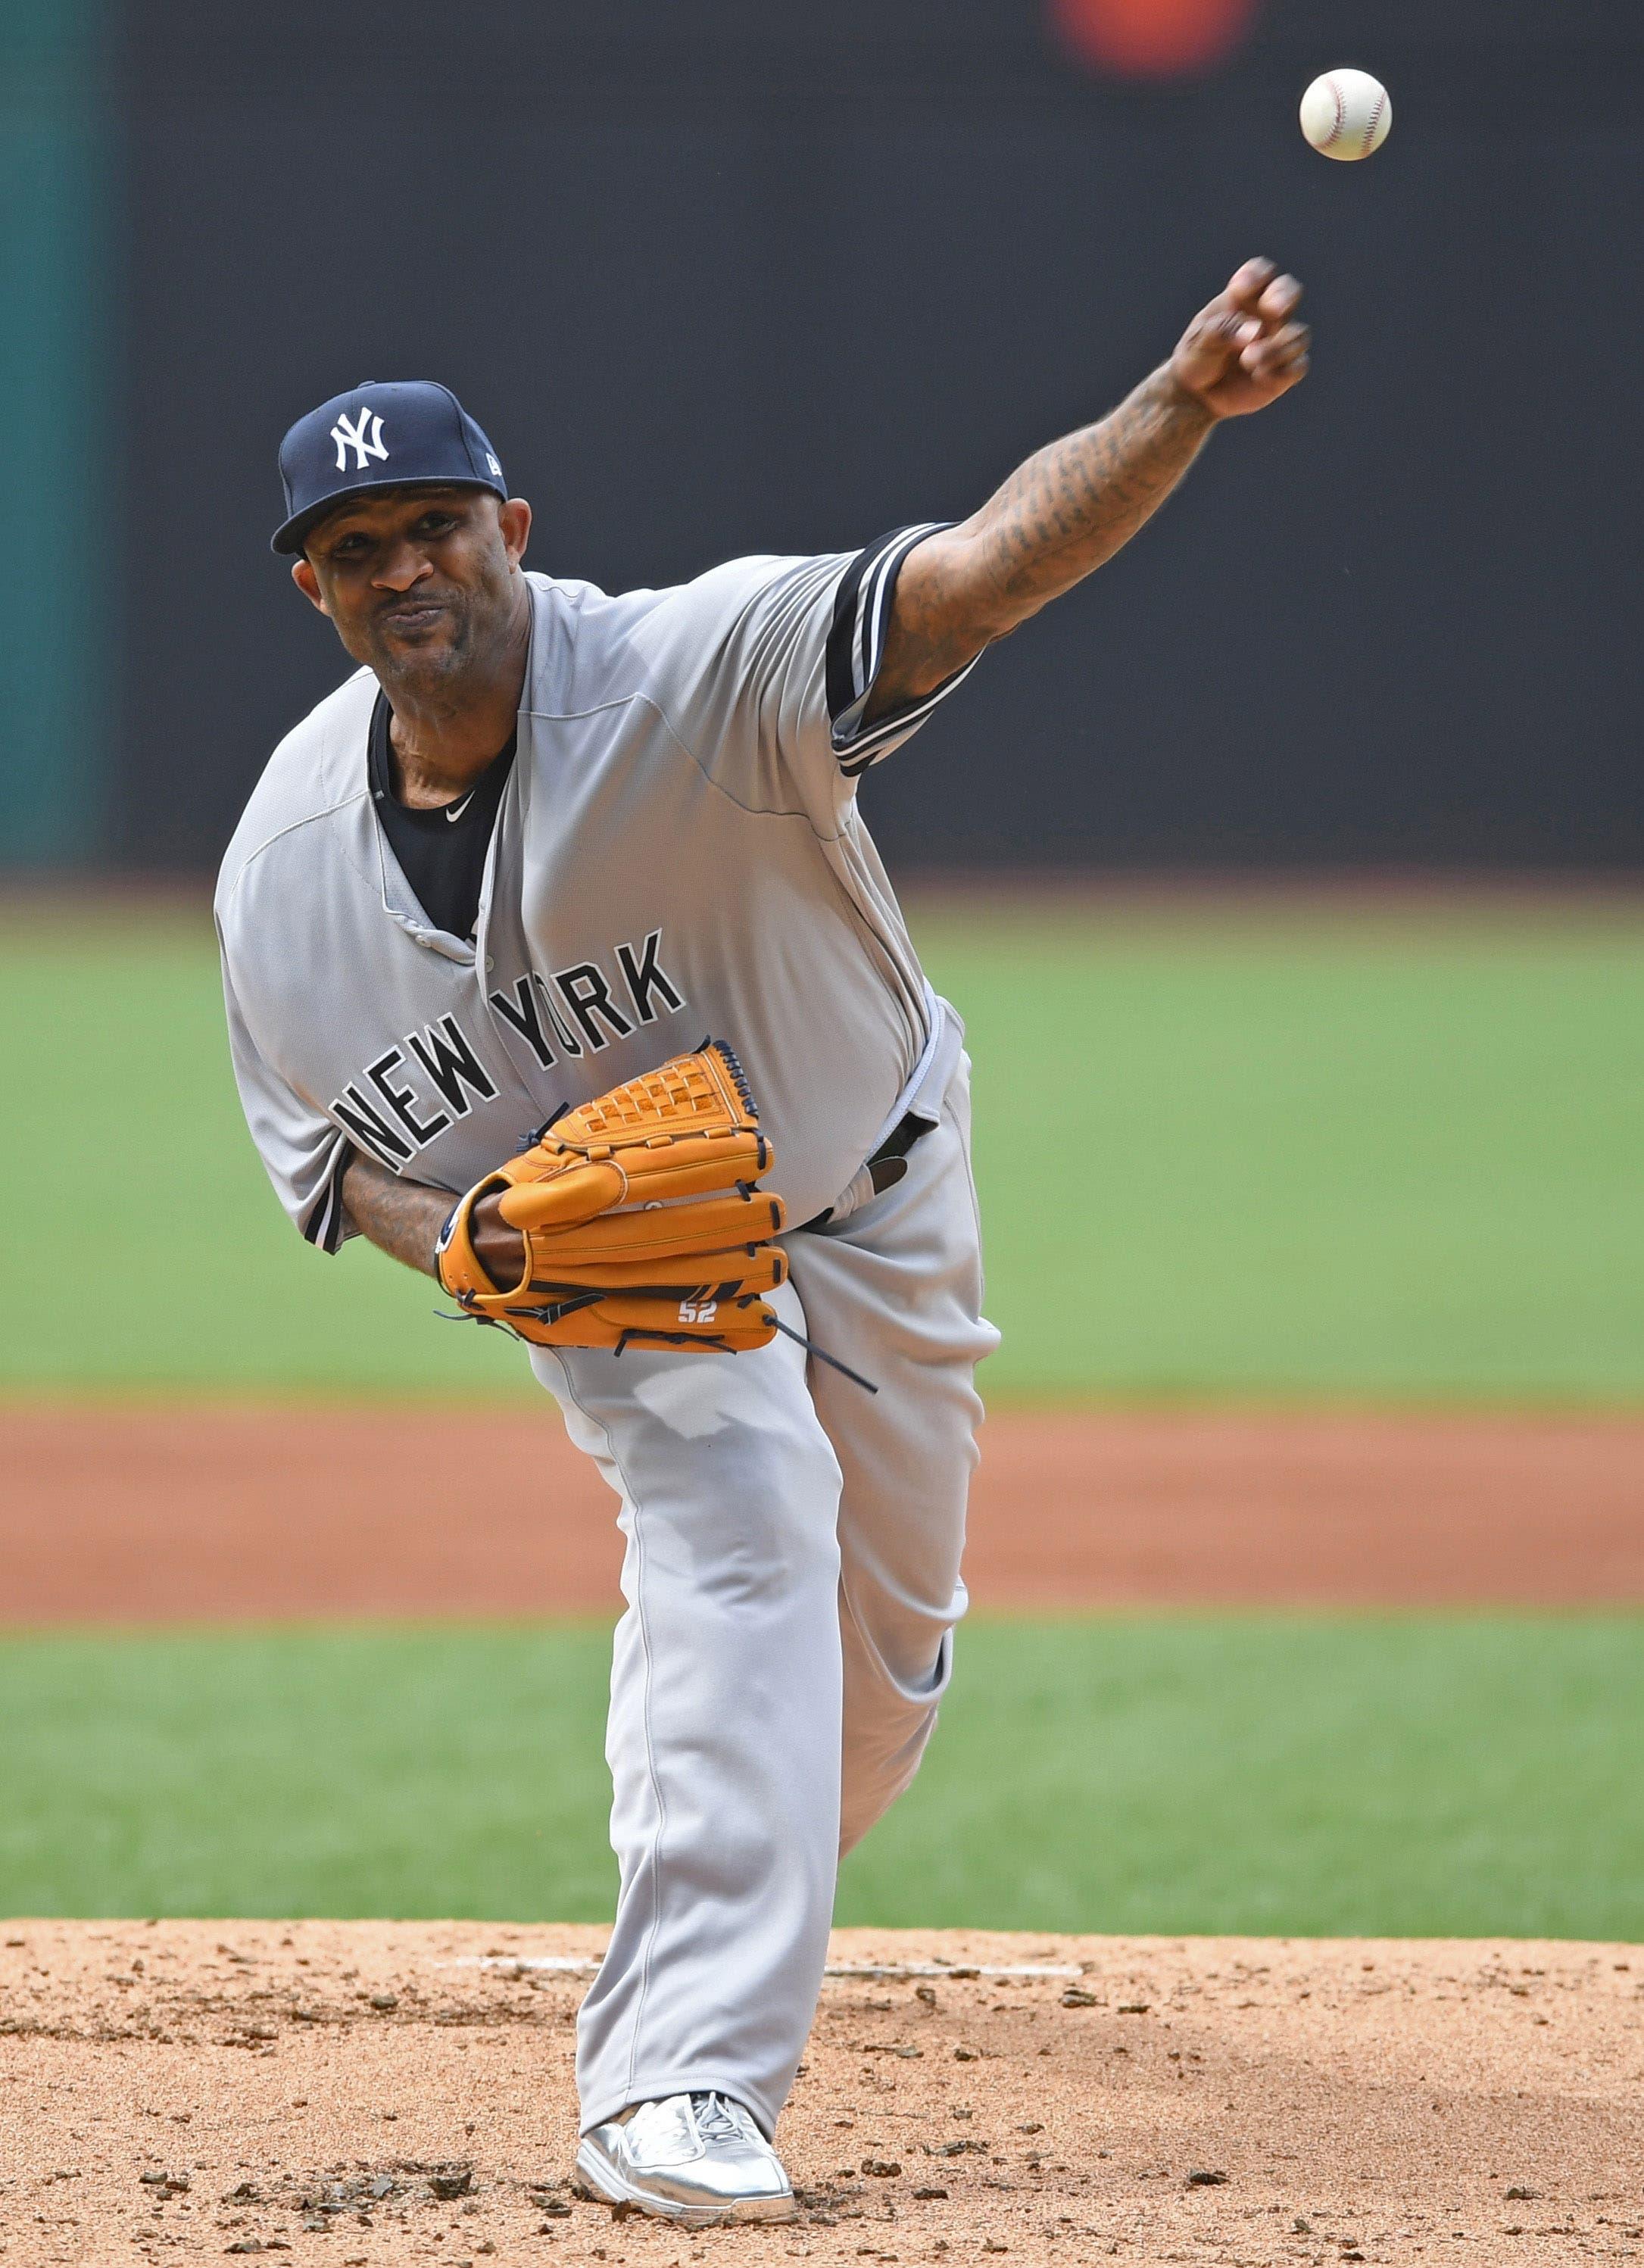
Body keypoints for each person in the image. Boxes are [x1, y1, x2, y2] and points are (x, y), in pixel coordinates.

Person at [217, 257, 1309, 2226]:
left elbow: (973, 577)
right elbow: (331, 1160)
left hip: (876, 1182)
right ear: (315, 586)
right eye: (357, 545)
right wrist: (466, 1242)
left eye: (435, 525)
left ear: (511, 531)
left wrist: (1170, 406)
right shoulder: (284, 873)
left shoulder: (695, 668)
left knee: (875, 1668)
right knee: (732, 1515)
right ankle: (673, 2077)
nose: (406, 569)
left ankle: (777, 1858)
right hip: (628, 1278)